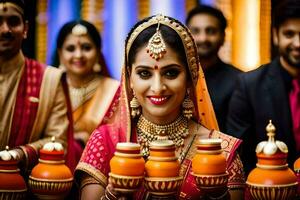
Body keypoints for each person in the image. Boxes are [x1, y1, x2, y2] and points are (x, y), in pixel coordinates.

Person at [75, 14, 245, 200]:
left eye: (171, 73)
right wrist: (112, 195)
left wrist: (218, 195)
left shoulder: (219, 152)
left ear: (190, 78)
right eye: (144, 73)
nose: (157, 88)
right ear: (129, 78)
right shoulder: (106, 142)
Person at [0, 0, 75, 172]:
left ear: (25, 29)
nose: (5, 30)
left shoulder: (49, 79)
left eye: (13, 22)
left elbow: (58, 142)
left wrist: (19, 154)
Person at [226, 0, 300, 175]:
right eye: (289, 34)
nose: (298, 43)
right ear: (275, 36)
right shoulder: (249, 85)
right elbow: (239, 155)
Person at [56, 20, 119, 151]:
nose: (78, 55)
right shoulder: (52, 89)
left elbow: (119, 137)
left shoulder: (113, 90)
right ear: (60, 53)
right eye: (70, 49)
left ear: (98, 52)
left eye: (86, 48)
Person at [186, 5, 242, 131]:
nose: (203, 38)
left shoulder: (239, 82)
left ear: (223, 37)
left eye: (210, 31)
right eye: (195, 31)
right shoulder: (175, 77)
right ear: (186, 36)